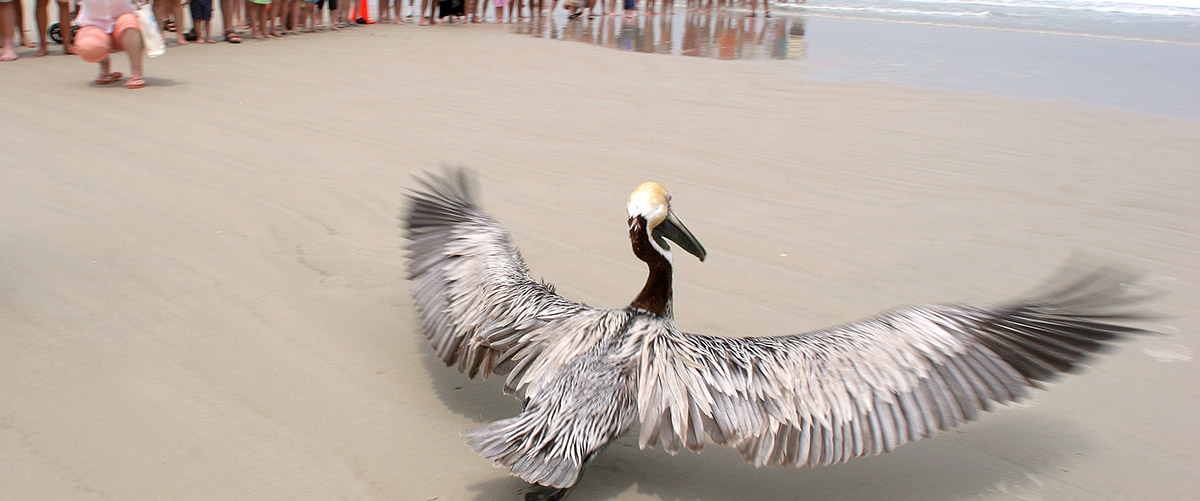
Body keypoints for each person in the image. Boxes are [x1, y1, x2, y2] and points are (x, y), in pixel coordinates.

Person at [73, 0, 145, 88]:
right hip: (93, 25)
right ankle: (104, 68)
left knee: (130, 23)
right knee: (88, 45)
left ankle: (136, 74)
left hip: (122, 23)